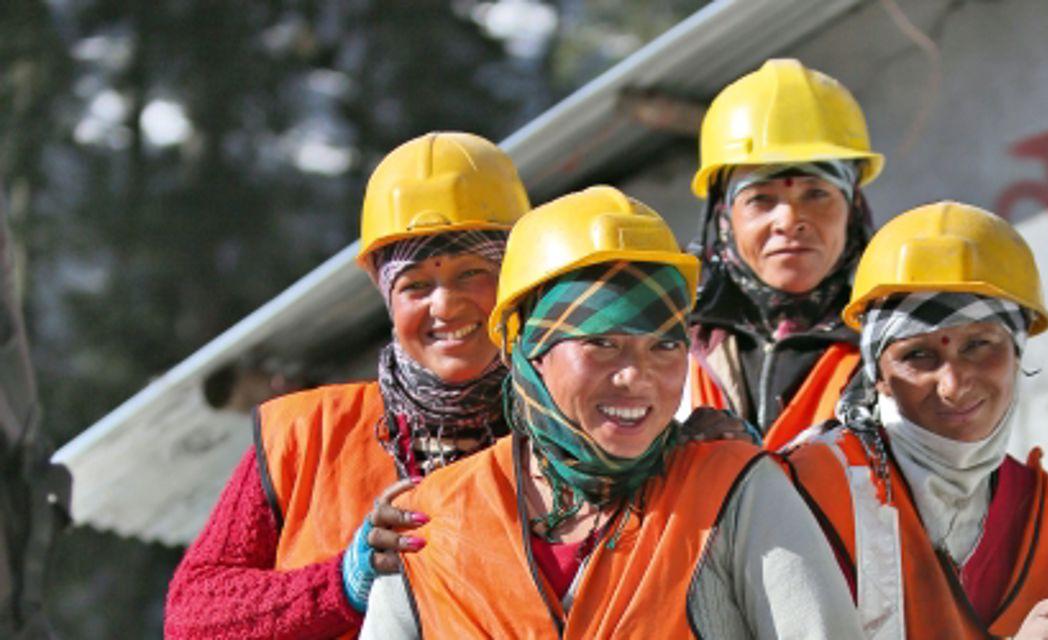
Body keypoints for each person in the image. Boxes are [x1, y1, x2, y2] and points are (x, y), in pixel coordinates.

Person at [360, 186, 862, 639]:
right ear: (525, 348)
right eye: (601, 343)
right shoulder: (433, 519)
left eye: (664, 346)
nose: (635, 376)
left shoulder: (735, 492)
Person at [164, 132, 530, 639]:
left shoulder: (569, 433)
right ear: (385, 294)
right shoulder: (301, 434)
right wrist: (343, 583)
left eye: (472, 273)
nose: (445, 306)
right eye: (416, 285)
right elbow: (192, 617)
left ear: (517, 276)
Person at [785, 201, 1048, 639]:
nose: (953, 384)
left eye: (979, 345)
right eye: (918, 355)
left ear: (1017, 353)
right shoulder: (808, 491)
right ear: (877, 374)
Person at [685, 58, 885, 449]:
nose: (790, 220)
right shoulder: (669, 338)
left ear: (853, 209)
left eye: (817, 194)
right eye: (761, 199)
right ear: (724, 216)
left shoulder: (896, 342)